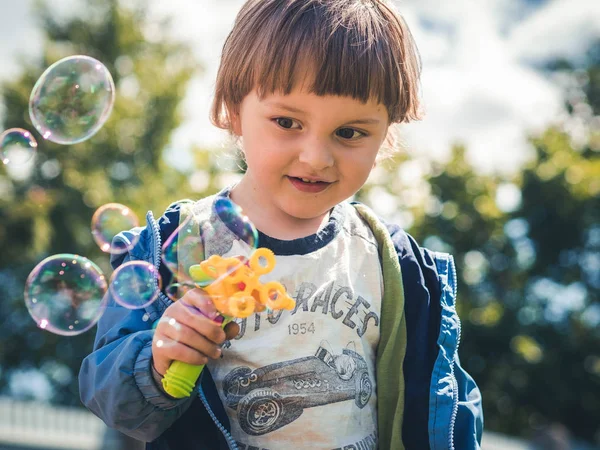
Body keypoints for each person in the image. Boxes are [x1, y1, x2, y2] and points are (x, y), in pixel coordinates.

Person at [79, 0, 483, 449]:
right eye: (287, 122)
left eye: (349, 133)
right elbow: (109, 397)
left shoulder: (395, 266)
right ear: (231, 109)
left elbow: (449, 410)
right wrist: (156, 360)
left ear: (386, 134)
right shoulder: (175, 244)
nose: (315, 157)